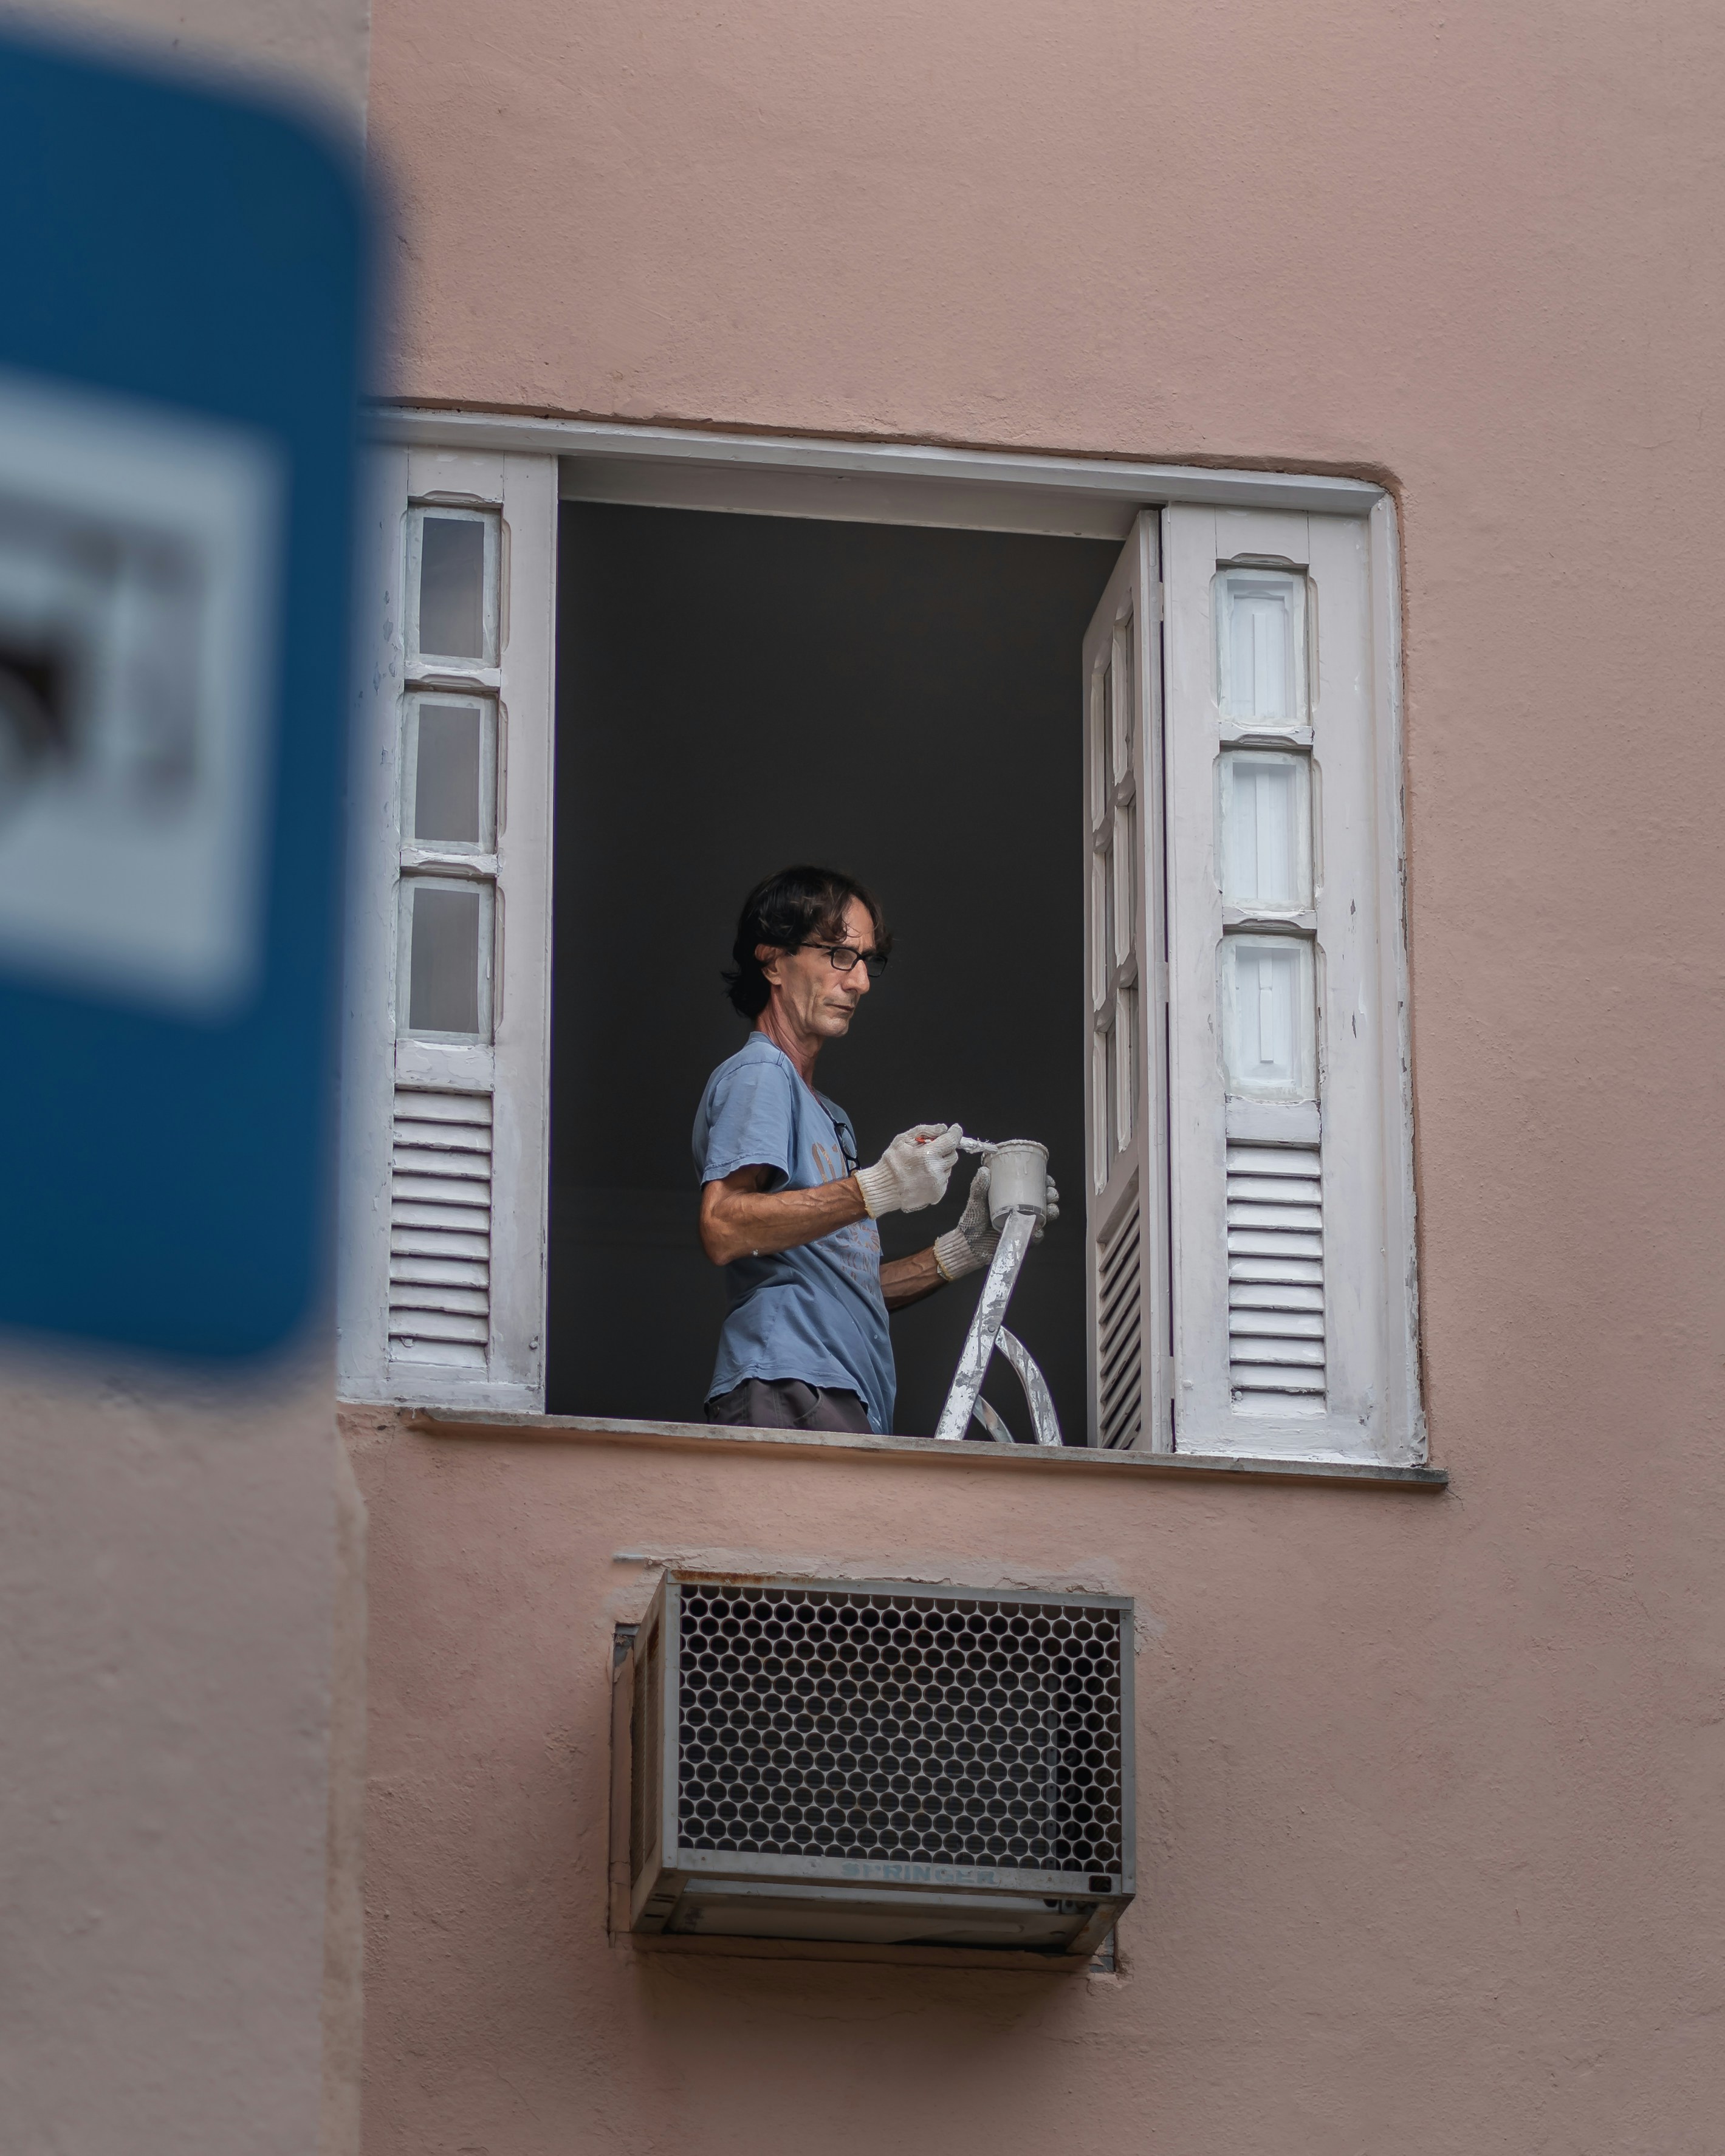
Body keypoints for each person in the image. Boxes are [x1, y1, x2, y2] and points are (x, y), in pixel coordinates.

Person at [693, 864, 1056, 1436]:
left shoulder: (828, 1115)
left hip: (832, 1391)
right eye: (839, 954)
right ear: (771, 961)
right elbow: (722, 1226)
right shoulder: (763, 1072)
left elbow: (843, 1291)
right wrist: (879, 1187)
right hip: (790, 1385)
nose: (859, 981)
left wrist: (960, 1250)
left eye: (867, 961)